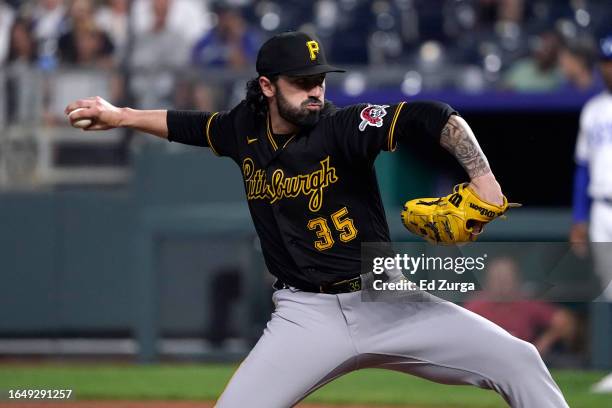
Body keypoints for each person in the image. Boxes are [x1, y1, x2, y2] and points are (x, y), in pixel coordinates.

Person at [66, 31, 568, 407]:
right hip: (306, 316)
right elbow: (194, 127)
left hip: (387, 301)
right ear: (266, 86)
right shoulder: (244, 129)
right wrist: (121, 115)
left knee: (518, 360)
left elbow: (432, 114)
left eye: (321, 80)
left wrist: (484, 179)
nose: (316, 91)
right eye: (302, 83)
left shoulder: (342, 127)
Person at [569, 32, 612, 393]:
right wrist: (579, 218)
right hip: (601, 208)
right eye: (605, 62)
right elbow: (582, 167)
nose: (609, 68)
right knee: (610, 288)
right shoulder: (593, 109)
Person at [464, 257, 576, 357]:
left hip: (522, 362)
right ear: (487, 280)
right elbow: (459, 333)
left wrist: (540, 346)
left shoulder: (526, 303)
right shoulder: (476, 305)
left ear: (516, 280)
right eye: (496, 278)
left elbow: (564, 321)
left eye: (505, 279)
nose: (501, 284)